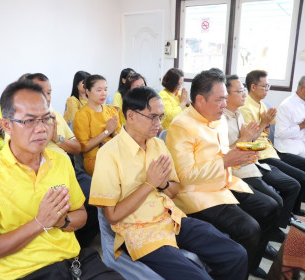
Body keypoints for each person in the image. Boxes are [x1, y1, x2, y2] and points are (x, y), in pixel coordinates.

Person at [0, 81, 124, 280]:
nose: (41, 129)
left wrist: (61, 221)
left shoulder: (60, 162)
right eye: (29, 121)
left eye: (46, 119)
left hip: (74, 261)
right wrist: (40, 222)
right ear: (7, 125)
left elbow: (80, 215)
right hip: (25, 271)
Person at [90, 86, 248, 280]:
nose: (159, 123)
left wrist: (162, 184)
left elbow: (174, 190)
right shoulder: (109, 154)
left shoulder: (158, 144)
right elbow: (112, 216)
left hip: (172, 220)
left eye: (161, 116)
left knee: (236, 254)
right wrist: (149, 184)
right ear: (130, 116)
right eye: (153, 117)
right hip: (140, 232)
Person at [166, 69, 280, 278]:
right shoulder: (181, 125)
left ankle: (250, 262)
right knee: (250, 228)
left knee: (271, 206)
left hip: (224, 183)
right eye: (220, 100)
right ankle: (236, 267)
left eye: (225, 99)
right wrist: (225, 161)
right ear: (200, 100)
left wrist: (242, 153)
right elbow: (185, 175)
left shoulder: (217, 118)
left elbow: (225, 153)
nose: (224, 106)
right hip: (198, 195)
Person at [25, 73, 99, 248]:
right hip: (42, 173)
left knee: (98, 197)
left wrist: (57, 138)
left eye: (49, 93)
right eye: (41, 94)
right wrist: (43, 137)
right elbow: (26, 158)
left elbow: (77, 148)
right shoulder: (22, 123)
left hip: (69, 168)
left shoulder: (55, 115)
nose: (47, 99)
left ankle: (80, 245)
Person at [224, 74, 300, 239]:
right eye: (240, 91)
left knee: (283, 194)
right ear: (226, 94)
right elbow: (226, 152)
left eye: (243, 90)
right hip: (240, 169)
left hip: (254, 160)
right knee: (274, 201)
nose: (244, 94)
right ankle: (270, 231)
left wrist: (259, 133)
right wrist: (253, 137)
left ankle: (273, 229)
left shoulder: (238, 114)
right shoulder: (224, 117)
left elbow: (250, 139)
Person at [240, 70, 305, 216]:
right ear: (253, 87)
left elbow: (266, 133)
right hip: (262, 155)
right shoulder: (245, 108)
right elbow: (249, 141)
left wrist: (265, 125)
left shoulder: (262, 105)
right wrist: (264, 123)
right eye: (264, 86)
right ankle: (286, 218)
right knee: (297, 180)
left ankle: (291, 214)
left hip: (270, 150)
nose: (267, 90)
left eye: (269, 86)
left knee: (299, 177)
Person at [73, 74, 121, 176]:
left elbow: (121, 139)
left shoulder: (111, 111)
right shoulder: (82, 114)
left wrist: (113, 132)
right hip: (95, 158)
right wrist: (107, 132)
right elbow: (84, 147)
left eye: (105, 90)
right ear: (87, 91)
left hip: (115, 153)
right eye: (99, 90)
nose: (103, 94)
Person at [275, 76, 305, 157]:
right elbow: (281, 133)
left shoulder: (303, 102)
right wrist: (301, 126)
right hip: (290, 149)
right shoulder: (286, 105)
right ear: (302, 89)